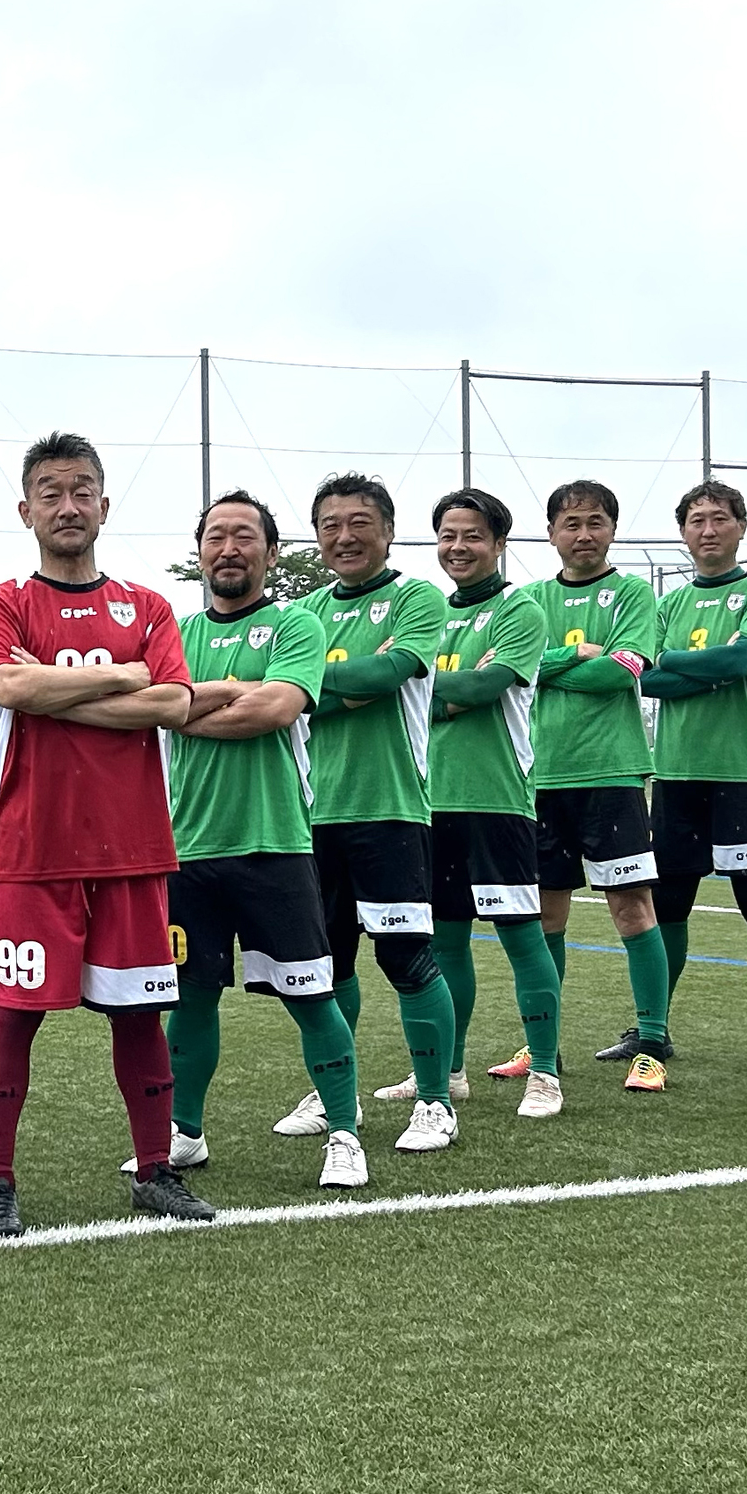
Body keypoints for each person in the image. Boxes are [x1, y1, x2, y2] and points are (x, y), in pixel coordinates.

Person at [0, 432, 207, 1238]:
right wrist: (122, 675)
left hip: (134, 849)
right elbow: (9, 684)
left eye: (81, 492)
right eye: (51, 492)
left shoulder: (148, 605)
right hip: (33, 851)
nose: (67, 506)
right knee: (13, 1015)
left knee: (140, 1016)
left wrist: (58, 689)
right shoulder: (3, 602)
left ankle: (156, 1171)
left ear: (104, 505)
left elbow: (174, 703)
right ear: (26, 510)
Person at [164, 490, 367, 1191]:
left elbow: (275, 707)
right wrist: (225, 692)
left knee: (311, 995)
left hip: (275, 845)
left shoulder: (296, 625)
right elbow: (145, 706)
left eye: (244, 536)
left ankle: (344, 1132)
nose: (229, 549)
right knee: (190, 998)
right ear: (200, 552)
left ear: (271, 552)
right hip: (187, 850)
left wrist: (188, 705)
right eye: (215, 536)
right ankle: (184, 1134)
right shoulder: (175, 631)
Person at [288, 472, 462, 1152]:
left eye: (360, 522)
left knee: (408, 957)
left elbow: (386, 675)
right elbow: (324, 689)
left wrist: (308, 682)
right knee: (326, 965)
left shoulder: (417, 597)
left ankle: (436, 1100)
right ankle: (339, 1097)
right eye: (330, 525)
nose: (345, 536)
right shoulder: (304, 613)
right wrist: (342, 682)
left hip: (390, 809)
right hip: (309, 814)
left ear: (388, 531)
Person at [636, 481, 747, 1080]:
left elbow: (739, 660)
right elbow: (643, 678)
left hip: (742, 775)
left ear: (740, 526)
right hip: (675, 776)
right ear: (683, 532)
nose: (707, 530)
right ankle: (652, 1031)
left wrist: (677, 662)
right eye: (696, 520)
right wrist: (702, 670)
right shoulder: (666, 606)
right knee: (667, 906)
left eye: (719, 518)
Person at [513, 481, 673, 1089]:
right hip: (538, 778)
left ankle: (651, 1045)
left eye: (595, 522)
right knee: (544, 916)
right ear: (551, 533)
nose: (584, 534)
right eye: (571, 523)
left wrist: (550, 665)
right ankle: (542, 1045)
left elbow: (621, 672)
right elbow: (512, 669)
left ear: (612, 529)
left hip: (611, 775)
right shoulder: (529, 599)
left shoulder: (633, 593)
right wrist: (578, 653)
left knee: (632, 908)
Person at [424, 488, 566, 1118]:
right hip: (429, 801)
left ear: (500, 543)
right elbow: (420, 696)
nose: (459, 547)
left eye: (473, 535)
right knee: (445, 943)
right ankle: (449, 1073)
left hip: (497, 801)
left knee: (522, 939)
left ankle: (546, 1074)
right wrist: (442, 691)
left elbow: (483, 689)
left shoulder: (519, 609)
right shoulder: (429, 612)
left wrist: (423, 685)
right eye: (448, 535)